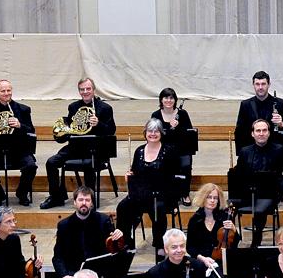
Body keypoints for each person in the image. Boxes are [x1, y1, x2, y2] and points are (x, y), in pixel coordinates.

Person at [41, 77, 116, 209]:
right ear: (79, 91)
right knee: (51, 162)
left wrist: (98, 124)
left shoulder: (105, 108)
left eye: (88, 89)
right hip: (76, 147)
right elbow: (71, 127)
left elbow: (111, 131)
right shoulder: (74, 107)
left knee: (88, 164)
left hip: (96, 149)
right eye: (82, 89)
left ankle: (88, 199)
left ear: (93, 90)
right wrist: (65, 133)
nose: (85, 92)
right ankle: (56, 196)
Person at [52, 186, 127, 278]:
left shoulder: (103, 221)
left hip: (99, 270)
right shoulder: (64, 225)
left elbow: (115, 250)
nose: (84, 203)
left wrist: (119, 238)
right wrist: (64, 275)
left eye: (87, 200)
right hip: (75, 271)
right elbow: (57, 257)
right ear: (75, 202)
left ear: (92, 203)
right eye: (81, 200)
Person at [115, 119, 178, 254]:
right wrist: (129, 175)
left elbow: (172, 177)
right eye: (150, 131)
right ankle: (125, 240)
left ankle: (160, 244)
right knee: (123, 206)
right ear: (145, 133)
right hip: (141, 194)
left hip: (162, 195)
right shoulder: (139, 151)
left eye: (156, 131)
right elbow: (135, 171)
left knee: (157, 208)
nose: (153, 134)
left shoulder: (169, 151)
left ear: (161, 133)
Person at [231, 119, 283, 247]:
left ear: (269, 133)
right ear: (252, 134)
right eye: (258, 131)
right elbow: (238, 175)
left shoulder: (279, 150)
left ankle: (255, 243)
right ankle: (232, 240)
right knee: (228, 208)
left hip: (269, 194)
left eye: (264, 130)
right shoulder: (245, 151)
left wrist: (278, 188)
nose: (261, 133)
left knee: (259, 210)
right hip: (248, 193)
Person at [0, 79, 37, 207]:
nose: (6, 93)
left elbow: (31, 130)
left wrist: (20, 125)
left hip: (19, 151)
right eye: (3, 91)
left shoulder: (23, 109)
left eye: (8, 90)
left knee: (31, 166)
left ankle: (21, 193)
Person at [186, 183, 239, 278]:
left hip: (219, 260)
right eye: (209, 197)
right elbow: (190, 247)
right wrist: (202, 259)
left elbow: (234, 243)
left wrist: (234, 230)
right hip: (200, 261)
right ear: (203, 198)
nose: (212, 201)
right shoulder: (195, 220)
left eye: (215, 198)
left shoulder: (224, 218)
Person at [151, 87, 195, 205]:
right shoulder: (155, 115)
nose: (168, 100)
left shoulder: (182, 114)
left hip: (182, 149)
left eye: (171, 98)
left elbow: (189, 133)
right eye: (166, 98)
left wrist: (178, 127)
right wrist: (167, 128)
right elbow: (154, 134)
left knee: (186, 165)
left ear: (175, 100)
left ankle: (185, 193)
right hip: (164, 149)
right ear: (161, 100)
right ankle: (169, 192)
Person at [234, 70, 283, 153]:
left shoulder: (280, 103)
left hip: (274, 152)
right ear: (253, 85)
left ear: (269, 85)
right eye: (257, 84)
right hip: (252, 152)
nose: (260, 87)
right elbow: (239, 132)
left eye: (263, 84)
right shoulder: (245, 105)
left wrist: (281, 124)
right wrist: (242, 155)